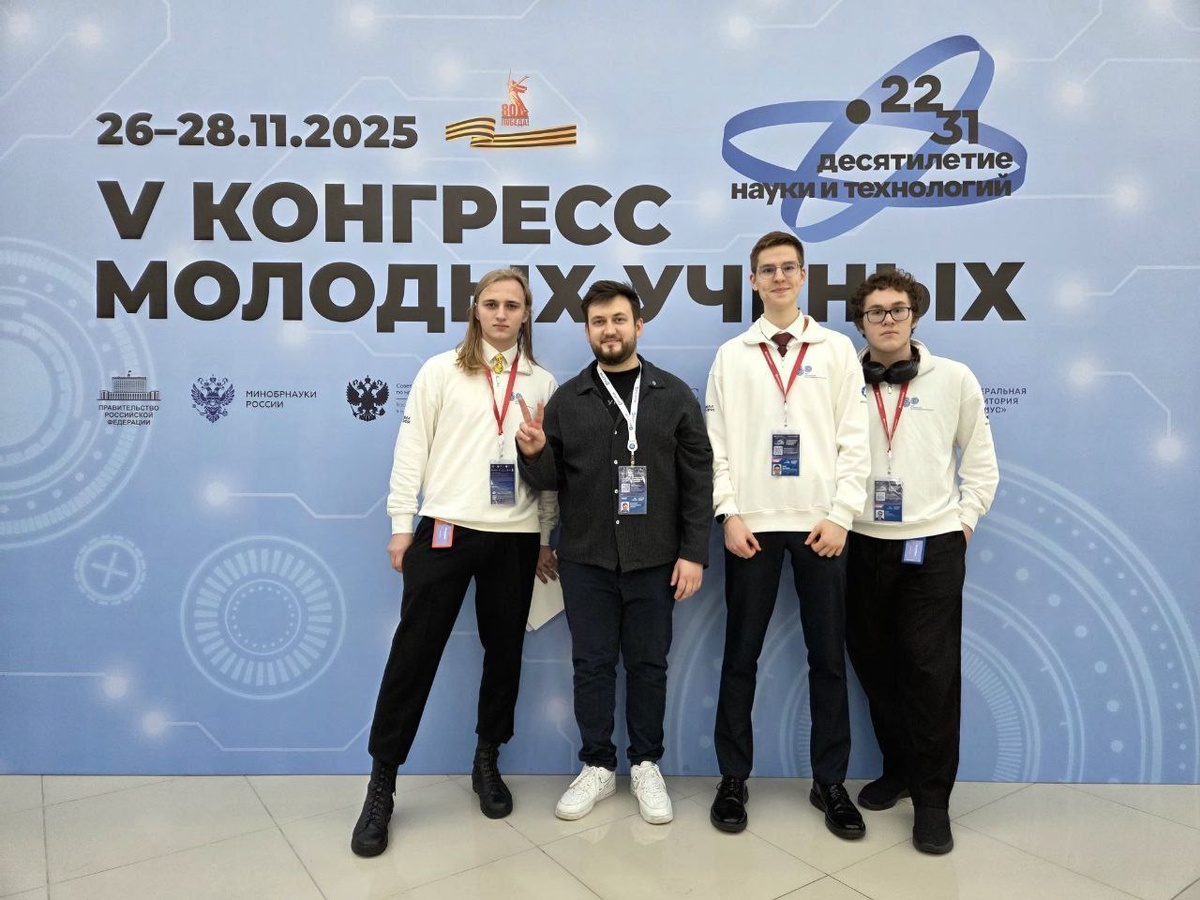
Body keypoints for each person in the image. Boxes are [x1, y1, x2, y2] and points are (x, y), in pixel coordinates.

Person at [351, 267, 558, 858]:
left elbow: (548, 473)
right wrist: (401, 526)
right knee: (413, 655)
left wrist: (545, 537)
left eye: (512, 305)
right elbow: (410, 450)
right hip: (445, 529)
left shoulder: (542, 381)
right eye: (491, 304)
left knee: (504, 654)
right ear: (476, 310)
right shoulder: (440, 371)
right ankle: (382, 784)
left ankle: (487, 760)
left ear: (526, 314)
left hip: (515, 536)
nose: (501, 314)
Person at [516, 279, 713, 825]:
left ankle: (647, 764)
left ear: (638, 326)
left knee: (649, 665)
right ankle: (598, 765)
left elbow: (698, 478)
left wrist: (693, 552)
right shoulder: (567, 399)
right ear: (587, 330)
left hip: (656, 559)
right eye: (599, 322)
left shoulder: (673, 395)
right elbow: (549, 480)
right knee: (592, 665)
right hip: (587, 559)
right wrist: (533, 453)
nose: (609, 330)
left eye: (619, 319)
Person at [705, 231, 871, 838]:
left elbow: (856, 439)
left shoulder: (836, 350)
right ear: (753, 281)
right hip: (752, 527)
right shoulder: (732, 355)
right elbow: (716, 445)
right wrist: (729, 513)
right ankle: (733, 779)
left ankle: (830, 783)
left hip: (820, 527)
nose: (778, 277)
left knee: (827, 658)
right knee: (739, 657)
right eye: (767, 269)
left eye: (788, 268)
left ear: (803, 277)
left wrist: (842, 514)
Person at [844, 269, 998, 854]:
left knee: (930, 674)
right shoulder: (841, 380)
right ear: (860, 323)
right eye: (875, 311)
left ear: (914, 316)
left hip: (931, 546)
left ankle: (933, 802)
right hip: (859, 542)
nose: (887, 320)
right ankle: (900, 769)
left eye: (897, 309)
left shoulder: (954, 378)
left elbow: (979, 461)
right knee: (873, 663)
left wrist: (963, 523)